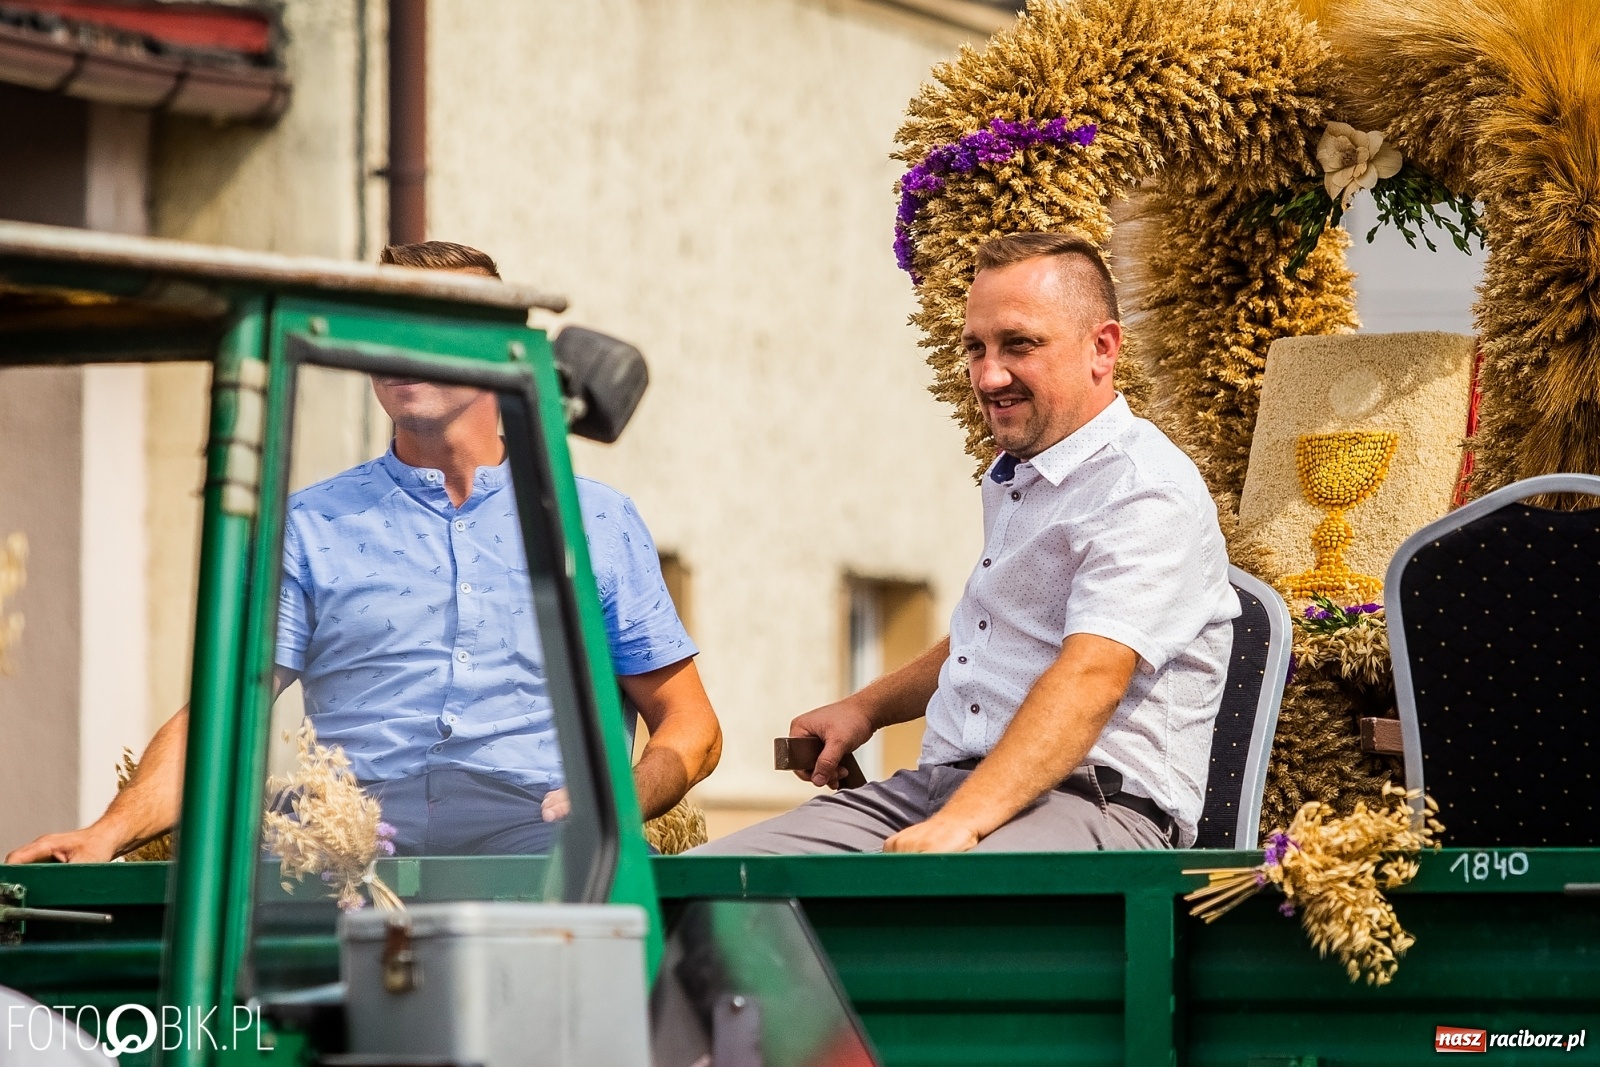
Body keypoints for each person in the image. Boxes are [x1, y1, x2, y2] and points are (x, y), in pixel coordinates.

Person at [6, 241, 721, 862]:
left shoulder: (593, 518)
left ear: (500, 348)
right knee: (264, 872)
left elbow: (691, 726)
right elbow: (221, 718)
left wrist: (619, 799)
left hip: (543, 835)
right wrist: (106, 831)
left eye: (428, 324)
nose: (396, 345)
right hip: (357, 850)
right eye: (380, 324)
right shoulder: (312, 524)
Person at [695, 232, 1238, 855]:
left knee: (933, 903)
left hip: (1095, 807)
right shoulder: (1021, 474)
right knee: (704, 886)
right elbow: (990, 639)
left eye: (1019, 345)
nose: (989, 374)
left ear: (1102, 348)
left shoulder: (1144, 489)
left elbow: (1092, 675)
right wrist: (866, 709)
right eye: (974, 348)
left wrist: (967, 822)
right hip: (941, 789)